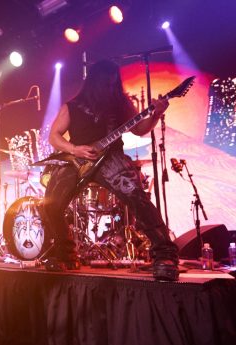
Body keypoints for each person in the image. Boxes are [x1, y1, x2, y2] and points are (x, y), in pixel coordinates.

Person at [45, 59, 179, 281]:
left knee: (137, 197)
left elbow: (140, 129)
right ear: (94, 82)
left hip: (111, 157)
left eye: (113, 83)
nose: (110, 87)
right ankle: (65, 254)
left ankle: (165, 255)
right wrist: (75, 149)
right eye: (105, 83)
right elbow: (54, 136)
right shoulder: (73, 106)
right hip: (76, 159)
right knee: (50, 204)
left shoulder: (120, 103)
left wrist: (155, 114)